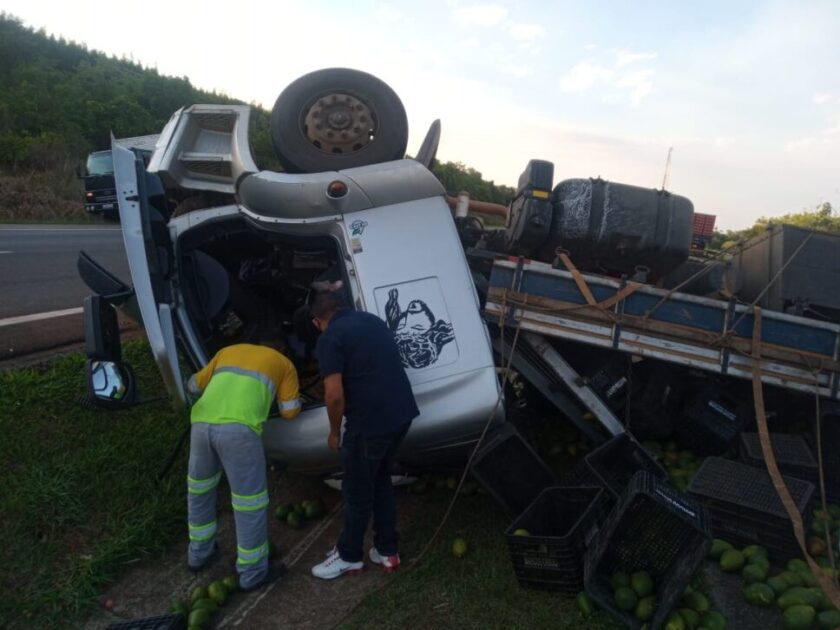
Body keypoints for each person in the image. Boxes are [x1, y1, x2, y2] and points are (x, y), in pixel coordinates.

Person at [309, 291, 419, 580]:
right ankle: (387, 550)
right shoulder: (371, 320)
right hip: (402, 414)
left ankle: (348, 556)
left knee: (357, 491)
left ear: (317, 321)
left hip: (369, 425)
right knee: (380, 479)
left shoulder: (329, 339)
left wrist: (334, 433)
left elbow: (334, 396)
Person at [185, 334, 301, 591]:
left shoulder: (228, 351)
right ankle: (252, 573)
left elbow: (193, 385)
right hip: (239, 432)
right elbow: (290, 411)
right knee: (249, 502)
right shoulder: (284, 364)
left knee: (200, 490)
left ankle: (198, 554)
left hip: (201, 425)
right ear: (282, 350)